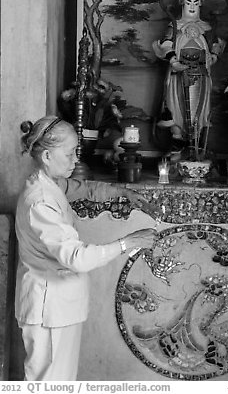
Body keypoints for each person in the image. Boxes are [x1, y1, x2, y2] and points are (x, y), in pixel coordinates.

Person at [15, 115, 159, 381]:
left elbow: (82, 189)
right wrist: (129, 242)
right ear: (47, 155)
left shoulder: (49, 183)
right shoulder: (41, 202)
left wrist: (124, 194)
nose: (75, 161)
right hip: (50, 310)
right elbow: (76, 258)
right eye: (69, 154)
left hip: (58, 307)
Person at [153, 0, 225, 159]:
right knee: (175, 106)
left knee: (200, 109)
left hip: (201, 73)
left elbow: (216, 44)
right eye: (188, 2)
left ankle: (197, 146)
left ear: (200, 3)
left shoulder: (206, 27)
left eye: (195, 2)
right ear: (182, 3)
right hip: (179, 73)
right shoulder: (175, 25)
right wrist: (174, 61)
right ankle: (177, 143)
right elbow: (166, 44)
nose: (192, 6)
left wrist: (214, 57)